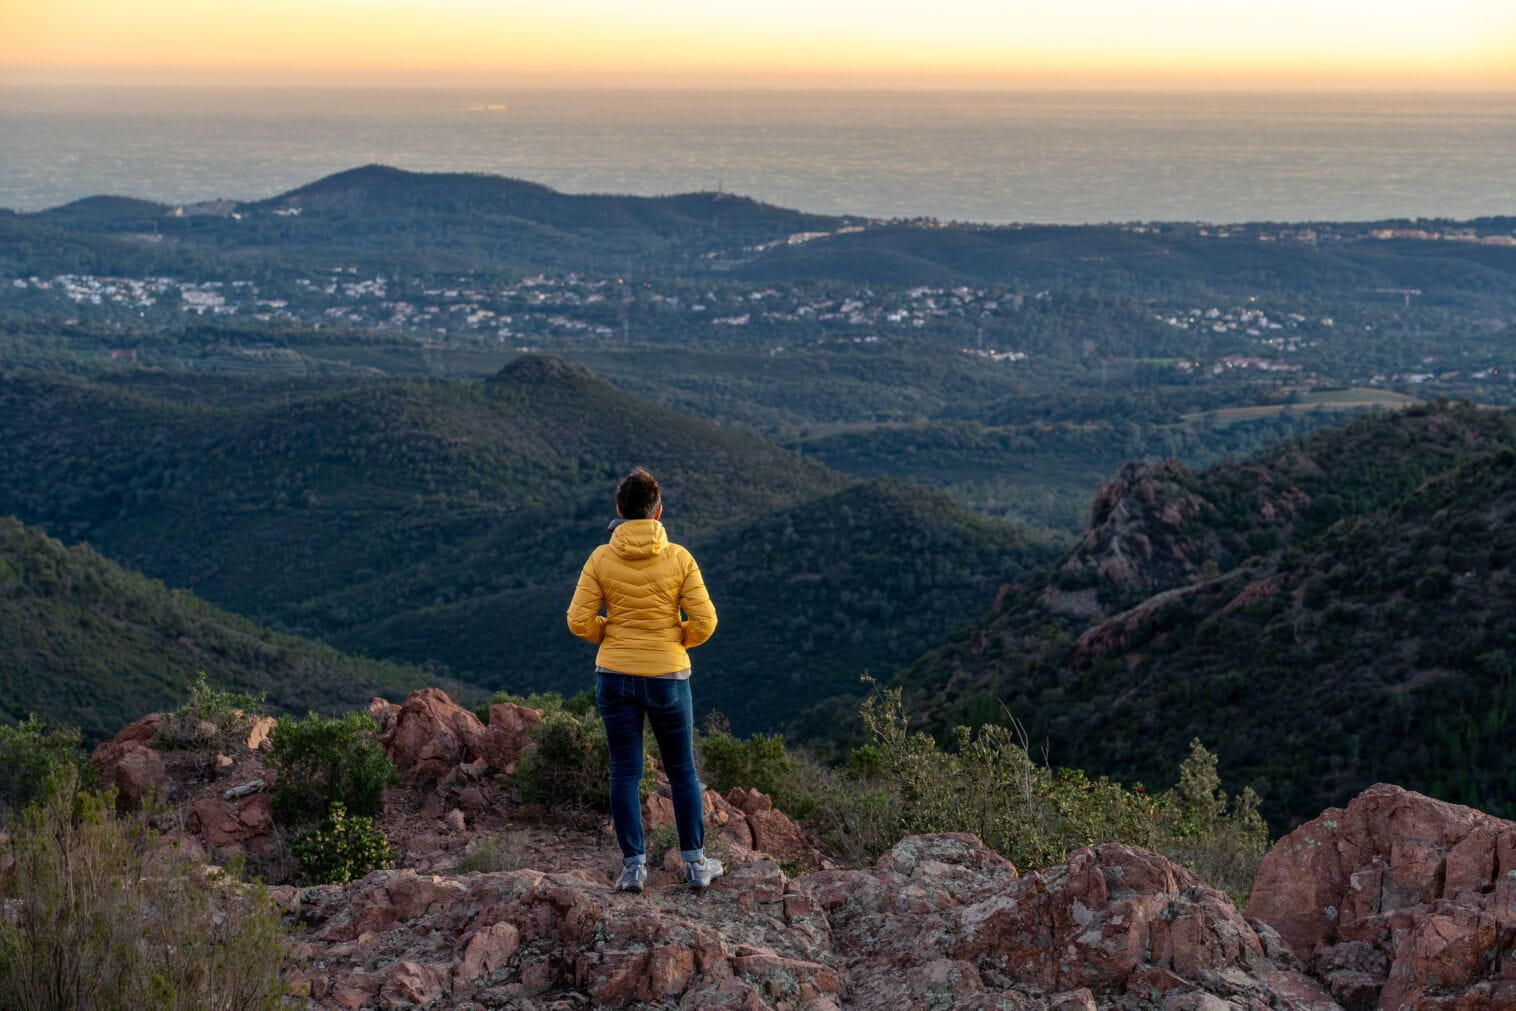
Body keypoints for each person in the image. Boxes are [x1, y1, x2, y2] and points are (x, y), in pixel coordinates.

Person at [566, 467, 722, 893]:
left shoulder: (601, 558)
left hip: (615, 676)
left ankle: (633, 868)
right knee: (682, 771)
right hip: (668, 677)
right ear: (658, 512)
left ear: (619, 509)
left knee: (625, 772)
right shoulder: (679, 558)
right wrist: (675, 641)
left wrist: (610, 634)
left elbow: (578, 620)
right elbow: (705, 622)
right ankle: (696, 865)